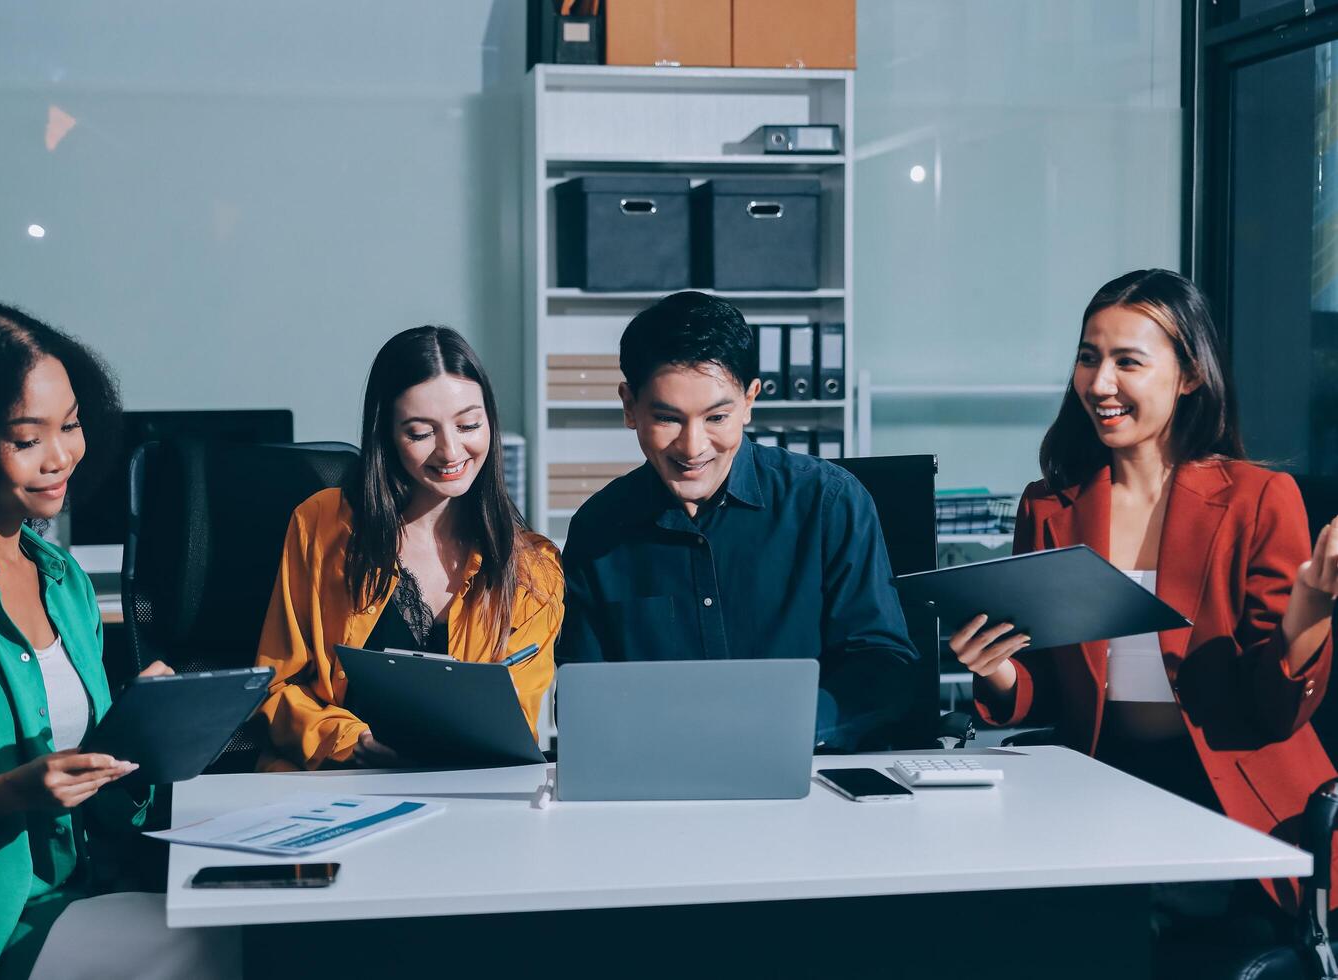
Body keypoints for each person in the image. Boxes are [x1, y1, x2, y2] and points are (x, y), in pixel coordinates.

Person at [953, 269, 1338, 921]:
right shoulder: (1049, 506)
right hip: (1099, 784)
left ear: (1189, 374)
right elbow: (1044, 685)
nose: (1099, 384)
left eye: (1127, 362)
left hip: (1230, 794)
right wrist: (995, 674)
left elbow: (1275, 712)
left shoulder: (1256, 500)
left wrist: (1309, 617)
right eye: (1088, 358)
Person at [0, 304, 236, 979]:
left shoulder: (62, 580)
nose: (61, 456)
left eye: (70, 426)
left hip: (76, 898)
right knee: (210, 947)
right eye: (26, 438)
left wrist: (143, 738)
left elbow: (97, 807)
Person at [556, 291, 920, 750]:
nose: (692, 447)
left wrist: (782, 731)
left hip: (810, 772)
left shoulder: (830, 503)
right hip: (660, 778)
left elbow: (883, 667)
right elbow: (584, 695)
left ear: (750, 400)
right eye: (667, 418)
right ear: (630, 406)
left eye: (717, 417)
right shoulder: (598, 528)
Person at [255, 326, 561, 771]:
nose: (451, 450)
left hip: (465, 798)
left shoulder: (535, 570)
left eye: (469, 425)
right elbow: (275, 687)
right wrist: (350, 740)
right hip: (337, 788)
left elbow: (517, 725)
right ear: (387, 435)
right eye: (420, 433)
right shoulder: (321, 526)